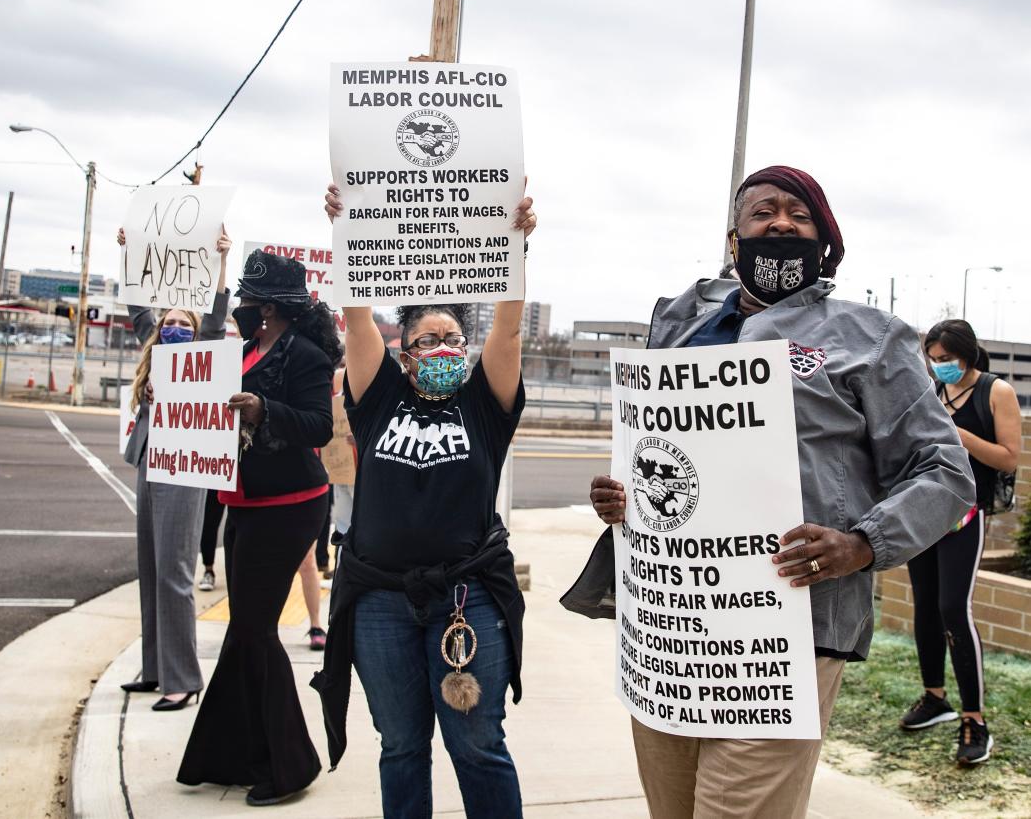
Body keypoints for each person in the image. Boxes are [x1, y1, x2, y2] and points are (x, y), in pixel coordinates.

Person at [567, 165, 975, 818]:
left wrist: (863, 542)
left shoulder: (873, 337)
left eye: (798, 213)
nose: (779, 222)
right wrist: (625, 495)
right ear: (735, 239)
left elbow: (947, 475)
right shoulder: (681, 325)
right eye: (762, 211)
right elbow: (658, 450)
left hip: (790, 633)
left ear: (825, 242)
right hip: (672, 633)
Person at [311, 183, 536, 819]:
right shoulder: (378, 397)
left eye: (451, 339)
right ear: (403, 355)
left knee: (478, 744)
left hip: (466, 599)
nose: (442, 348)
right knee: (402, 745)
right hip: (380, 602)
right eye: (427, 341)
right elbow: (355, 317)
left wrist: (514, 243)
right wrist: (347, 231)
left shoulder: (483, 405)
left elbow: (510, 327)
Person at [177, 249, 341, 807]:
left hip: (291, 503)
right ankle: (232, 754)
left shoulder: (308, 356)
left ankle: (291, 764)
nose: (242, 307)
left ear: (269, 307)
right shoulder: (243, 350)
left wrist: (262, 409)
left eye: (248, 299)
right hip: (243, 500)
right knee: (245, 627)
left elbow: (318, 426)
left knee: (253, 627)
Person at [117, 226, 231, 711]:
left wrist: (222, 261)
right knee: (150, 565)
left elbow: (219, 314)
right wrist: (128, 253)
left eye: (185, 323)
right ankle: (156, 667)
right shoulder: (154, 350)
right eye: (171, 323)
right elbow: (137, 307)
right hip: (150, 460)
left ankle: (183, 679)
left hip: (185, 468)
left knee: (175, 571)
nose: (176, 329)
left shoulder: (203, 352)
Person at [900, 319, 1020, 764]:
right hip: (924, 508)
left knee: (953, 607)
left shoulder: (996, 391)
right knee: (925, 605)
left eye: (945, 360)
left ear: (966, 355)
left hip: (967, 514)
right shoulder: (934, 392)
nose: (938, 367)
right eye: (932, 360)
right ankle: (935, 698)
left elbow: (1008, 458)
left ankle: (976, 720)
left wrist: (959, 434)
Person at [198, 491, 224, 591]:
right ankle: (208, 570)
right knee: (208, 522)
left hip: (239, 479)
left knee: (239, 521)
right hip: (216, 481)